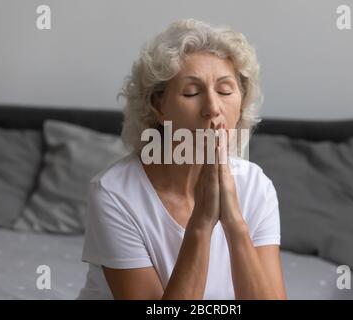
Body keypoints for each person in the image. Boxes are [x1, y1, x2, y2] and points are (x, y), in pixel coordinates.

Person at [77, 18, 286, 300]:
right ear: (158, 106)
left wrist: (234, 222)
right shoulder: (115, 193)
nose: (213, 108)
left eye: (225, 91)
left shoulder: (256, 186)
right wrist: (202, 222)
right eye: (192, 92)